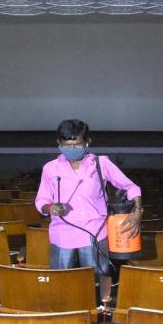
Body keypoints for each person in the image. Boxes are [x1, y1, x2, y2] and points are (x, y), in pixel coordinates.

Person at [35, 119, 142, 303]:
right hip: (63, 233)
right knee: (62, 284)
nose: (72, 148)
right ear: (59, 144)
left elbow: (130, 186)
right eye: (67, 145)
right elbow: (42, 200)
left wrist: (138, 211)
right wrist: (50, 208)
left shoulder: (101, 164)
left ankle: (98, 317)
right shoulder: (50, 169)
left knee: (99, 282)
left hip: (95, 232)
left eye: (77, 144)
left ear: (87, 142)